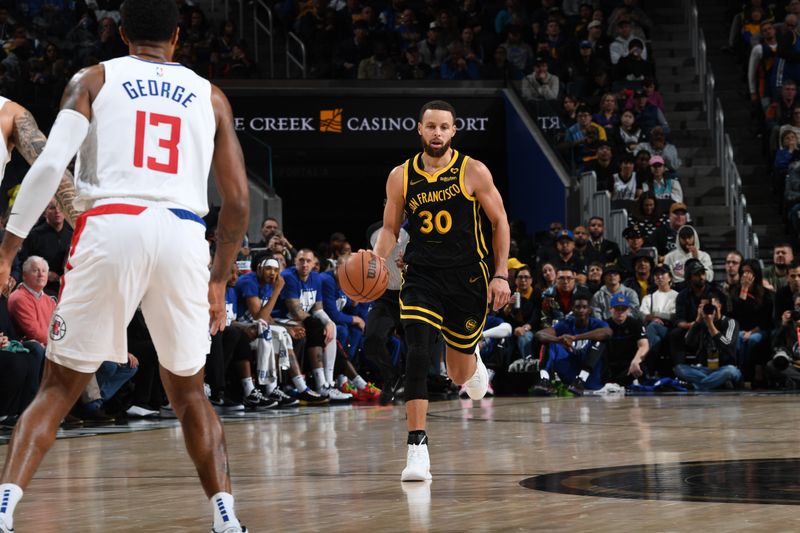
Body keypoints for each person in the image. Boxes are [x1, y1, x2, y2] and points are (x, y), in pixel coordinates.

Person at [0, 1, 251, 531]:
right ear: (179, 37)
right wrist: (218, 280)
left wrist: (8, 248)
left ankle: (3, 509)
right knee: (189, 392)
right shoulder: (212, 95)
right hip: (183, 232)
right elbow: (239, 203)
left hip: (112, 222)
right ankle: (226, 517)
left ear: (118, 33)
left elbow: (49, 164)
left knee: (58, 387)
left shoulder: (93, 77)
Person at [373, 99, 511, 482]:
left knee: (458, 374)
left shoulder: (473, 171)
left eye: (443, 127)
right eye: (430, 126)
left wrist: (501, 274)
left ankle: (473, 358)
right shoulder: (401, 175)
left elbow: (500, 221)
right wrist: (375, 258)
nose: (436, 133)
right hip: (421, 276)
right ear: (419, 129)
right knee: (417, 353)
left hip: (467, 278)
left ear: (454, 131)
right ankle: (417, 448)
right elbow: (390, 228)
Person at [534, 290, 612, 395]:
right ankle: (544, 380)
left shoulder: (596, 323)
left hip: (591, 375)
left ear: (589, 309)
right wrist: (559, 339)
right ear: (572, 309)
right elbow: (539, 334)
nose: (581, 310)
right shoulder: (566, 324)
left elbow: (608, 333)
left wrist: (575, 338)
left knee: (600, 341)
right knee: (548, 341)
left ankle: (581, 379)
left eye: (584, 307)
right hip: (570, 371)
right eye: (578, 307)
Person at [673, 295, 741, 391]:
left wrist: (710, 324)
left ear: (719, 306)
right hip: (705, 369)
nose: (709, 310)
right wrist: (697, 321)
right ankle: (717, 382)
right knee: (679, 369)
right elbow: (688, 342)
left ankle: (697, 386)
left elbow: (727, 345)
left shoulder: (730, 322)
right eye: (705, 307)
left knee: (730, 372)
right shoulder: (701, 323)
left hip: (725, 367)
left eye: (712, 307)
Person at [605, 292, 649, 386]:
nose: (620, 312)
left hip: (630, 364)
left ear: (628, 310)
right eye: (617, 309)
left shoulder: (636, 323)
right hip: (611, 365)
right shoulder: (605, 325)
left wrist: (636, 361)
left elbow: (644, 345)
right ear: (611, 310)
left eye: (623, 309)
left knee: (640, 368)